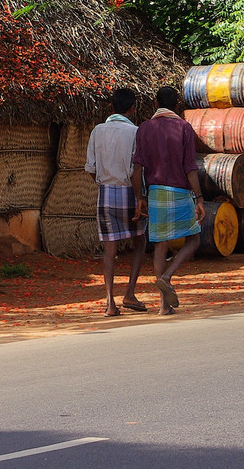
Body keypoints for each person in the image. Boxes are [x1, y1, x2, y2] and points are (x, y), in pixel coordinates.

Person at [132, 85, 204, 315]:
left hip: (155, 193)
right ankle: (167, 275)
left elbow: (137, 169)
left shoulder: (144, 128)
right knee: (193, 240)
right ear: (177, 105)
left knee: (160, 246)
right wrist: (200, 198)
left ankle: (164, 306)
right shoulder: (184, 127)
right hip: (180, 192)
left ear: (156, 104)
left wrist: (139, 197)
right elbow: (190, 168)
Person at [85, 88, 148, 316]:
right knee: (139, 242)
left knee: (109, 249)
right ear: (133, 109)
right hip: (129, 194)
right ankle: (130, 292)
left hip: (105, 194)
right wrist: (140, 198)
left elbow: (90, 168)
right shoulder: (135, 132)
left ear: (112, 108)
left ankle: (109, 302)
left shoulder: (97, 131)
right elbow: (136, 170)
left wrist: (104, 184)